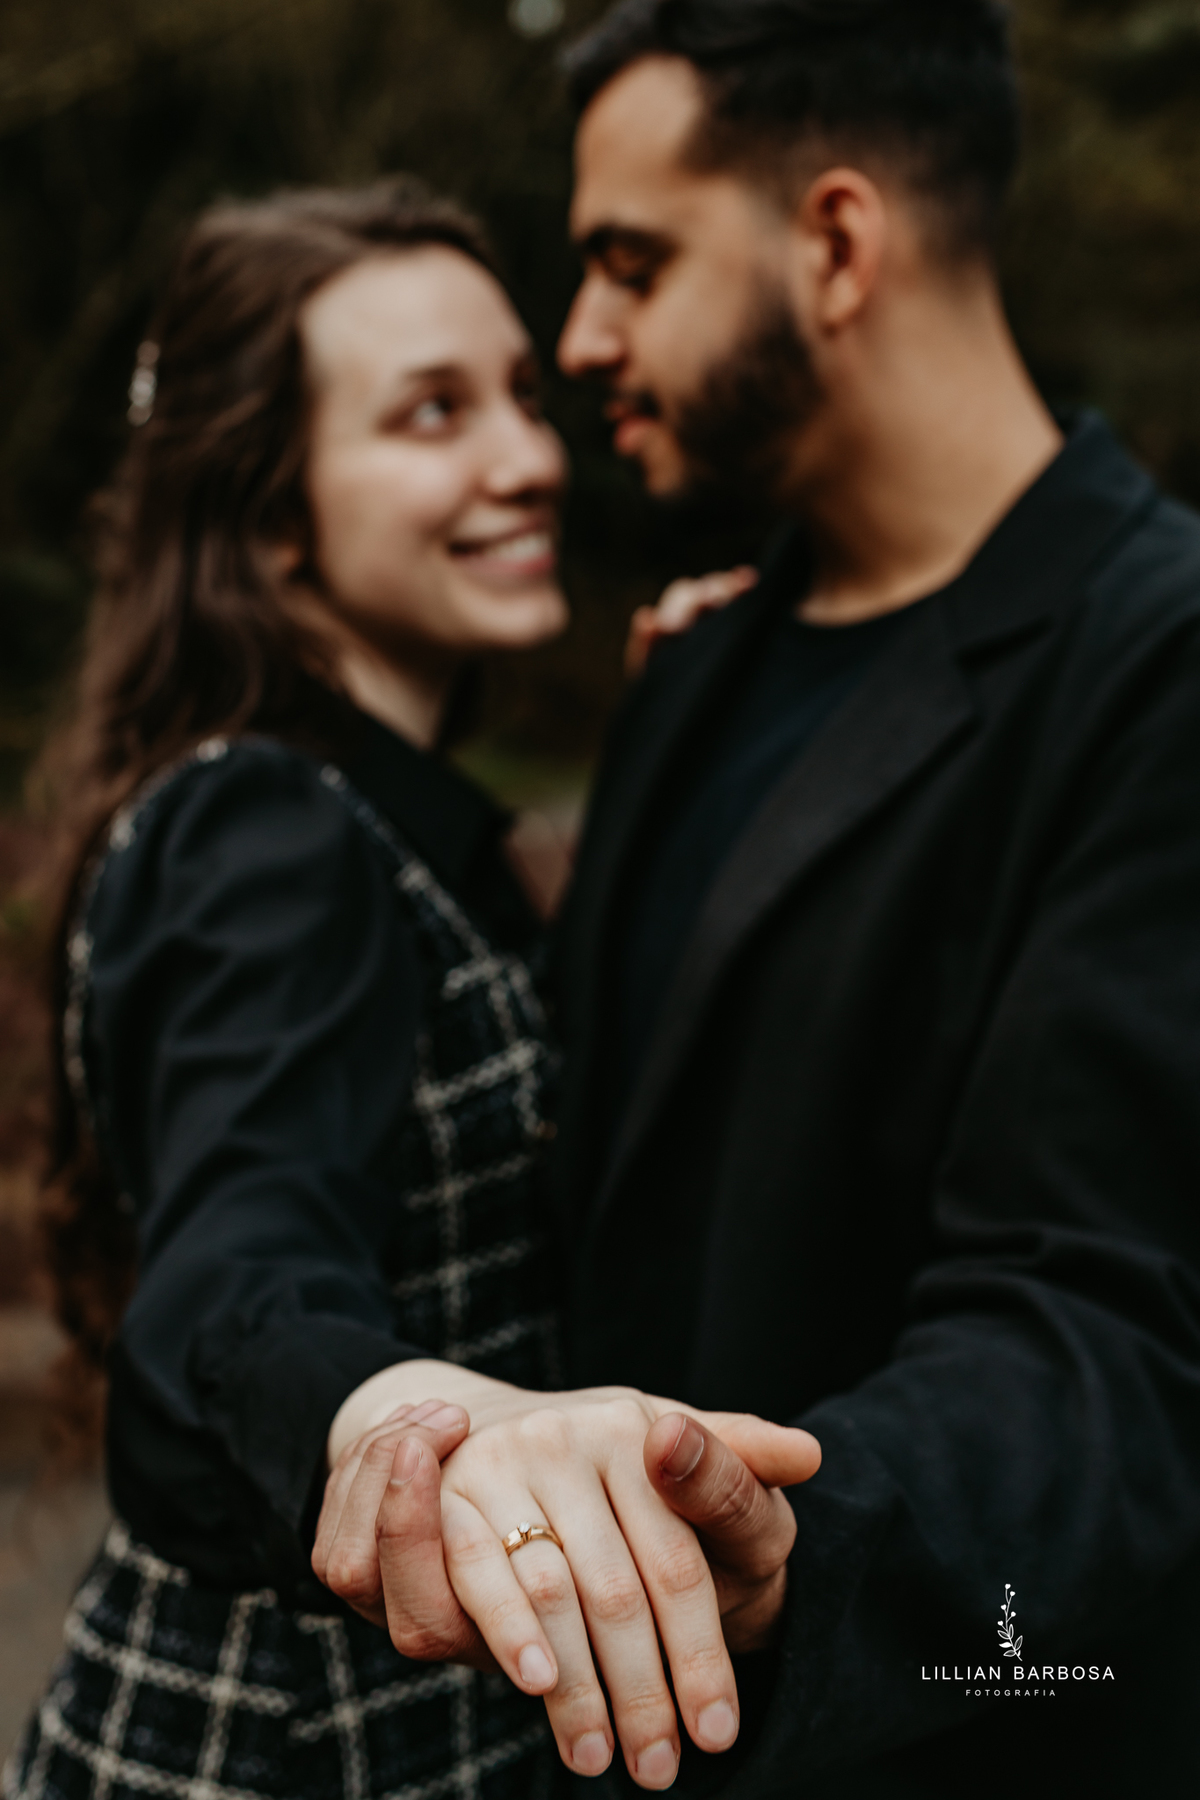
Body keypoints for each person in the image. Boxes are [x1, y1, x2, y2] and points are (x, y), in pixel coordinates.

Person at [322, 3, 1200, 1794]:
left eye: (631, 263)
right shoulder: (700, 668)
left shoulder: (1157, 663)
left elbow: (1104, 1333)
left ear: (838, 241)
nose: (582, 341)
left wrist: (798, 1538)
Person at [6, 179, 819, 1800]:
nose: (528, 458)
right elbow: (239, 1259)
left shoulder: (395, 827)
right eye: (430, 413)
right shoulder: (267, 831)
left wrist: (694, 753)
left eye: (521, 397)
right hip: (278, 1748)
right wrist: (389, 1409)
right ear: (274, 510)